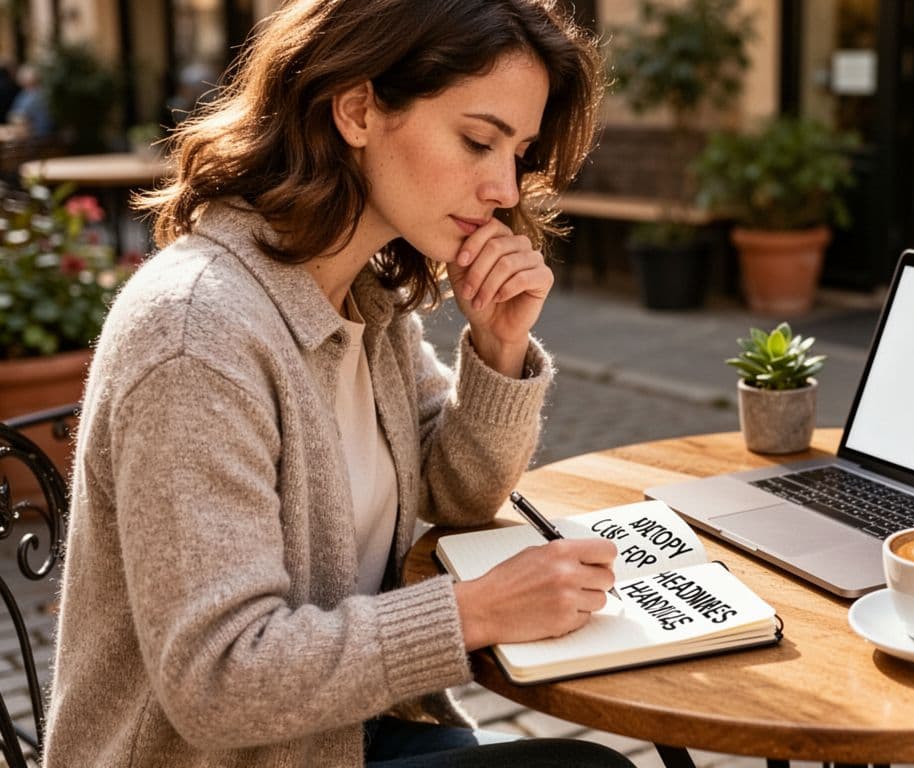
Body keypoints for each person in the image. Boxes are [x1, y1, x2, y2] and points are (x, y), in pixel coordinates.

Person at [42, 1, 634, 766]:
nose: (505, 190)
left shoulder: (362, 301)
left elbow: (454, 493)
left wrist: (497, 346)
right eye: (477, 141)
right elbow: (217, 678)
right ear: (357, 109)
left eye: (516, 153)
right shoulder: (198, 333)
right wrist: (473, 613)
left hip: (343, 736)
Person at [7, 63, 54, 138]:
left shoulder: (31, 95)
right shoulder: (44, 92)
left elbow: (18, 118)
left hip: (36, 137)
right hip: (46, 135)